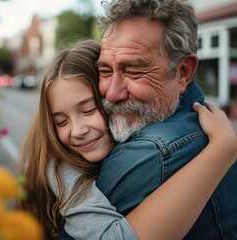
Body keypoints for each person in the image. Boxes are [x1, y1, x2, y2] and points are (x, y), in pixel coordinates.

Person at [18, 39, 237, 239]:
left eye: (88, 110)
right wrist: (222, 146)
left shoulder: (133, 138)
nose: (77, 130)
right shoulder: (62, 172)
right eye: (61, 122)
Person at [83, 0, 236, 239]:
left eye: (134, 71)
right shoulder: (205, 126)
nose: (112, 93)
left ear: (183, 72)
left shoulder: (151, 152)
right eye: (104, 71)